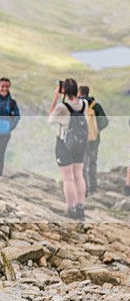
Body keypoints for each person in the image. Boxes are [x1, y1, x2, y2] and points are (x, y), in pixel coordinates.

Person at [49, 78, 87, 219]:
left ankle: (71, 210)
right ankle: (80, 208)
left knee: (68, 179)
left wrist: (55, 97)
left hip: (64, 144)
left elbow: (50, 119)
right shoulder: (84, 104)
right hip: (81, 143)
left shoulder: (62, 107)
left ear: (63, 90)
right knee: (79, 176)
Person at [77, 85, 108, 195]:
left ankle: (83, 190)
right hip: (94, 140)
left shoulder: (77, 105)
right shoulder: (96, 106)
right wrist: (96, 130)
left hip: (80, 140)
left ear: (80, 93)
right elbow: (104, 122)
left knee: (82, 165)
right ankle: (93, 188)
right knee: (92, 163)